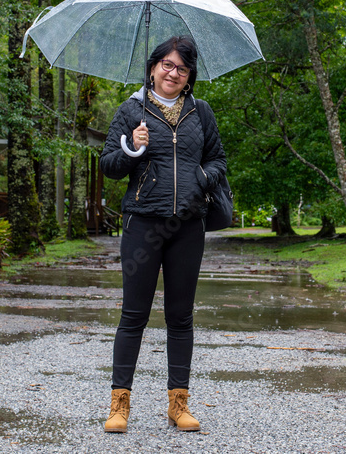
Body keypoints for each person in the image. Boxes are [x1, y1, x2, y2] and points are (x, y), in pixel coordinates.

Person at [98, 36, 227, 434]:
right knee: (132, 316)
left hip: (187, 226)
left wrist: (201, 177)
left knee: (180, 317)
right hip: (143, 223)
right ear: (153, 68)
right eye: (167, 65)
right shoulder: (130, 110)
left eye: (182, 69)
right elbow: (108, 166)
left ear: (189, 78)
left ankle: (178, 404)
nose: (173, 73)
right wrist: (132, 150)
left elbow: (218, 158)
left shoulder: (200, 113)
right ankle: (120, 406)